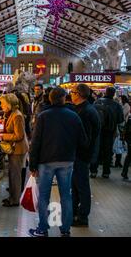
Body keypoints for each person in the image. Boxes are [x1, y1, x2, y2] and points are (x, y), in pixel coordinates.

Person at [29, 87, 88, 237]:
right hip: (67, 161)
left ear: (50, 98)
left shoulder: (43, 116)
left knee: (44, 195)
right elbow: (83, 141)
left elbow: (35, 142)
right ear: (64, 98)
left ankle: (42, 229)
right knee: (66, 195)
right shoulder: (74, 116)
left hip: (46, 161)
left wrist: (33, 164)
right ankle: (65, 230)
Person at [69, 84, 101, 227]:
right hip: (80, 154)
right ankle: (74, 212)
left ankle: (83, 217)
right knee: (75, 185)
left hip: (81, 155)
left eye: (73, 91)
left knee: (82, 187)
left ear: (79, 94)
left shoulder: (86, 112)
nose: (71, 94)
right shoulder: (83, 109)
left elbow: (85, 139)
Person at [0, 94, 29, 207]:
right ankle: (12, 196)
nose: (1, 105)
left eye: (3, 103)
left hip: (18, 149)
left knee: (15, 174)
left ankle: (14, 200)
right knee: (12, 173)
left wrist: (3, 136)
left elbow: (19, 136)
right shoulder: (11, 113)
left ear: (9, 104)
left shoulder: (17, 116)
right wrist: (2, 131)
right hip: (14, 149)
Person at [91, 87, 124, 178]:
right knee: (108, 152)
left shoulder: (96, 102)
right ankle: (106, 172)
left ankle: (93, 171)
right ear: (113, 94)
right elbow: (120, 120)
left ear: (105, 92)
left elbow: (92, 116)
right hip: (110, 132)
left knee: (96, 150)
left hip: (97, 131)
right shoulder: (116, 105)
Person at [115, 95, 130, 167]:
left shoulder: (126, 106)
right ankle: (118, 161)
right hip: (121, 126)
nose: (120, 100)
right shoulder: (123, 105)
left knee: (120, 144)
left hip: (123, 126)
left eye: (121, 99)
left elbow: (123, 115)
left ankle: (118, 161)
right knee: (119, 144)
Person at [122, 115, 131, 180]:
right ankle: (124, 172)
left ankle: (124, 172)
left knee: (129, 156)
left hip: (129, 140)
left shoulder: (130, 117)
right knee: (129, 156)